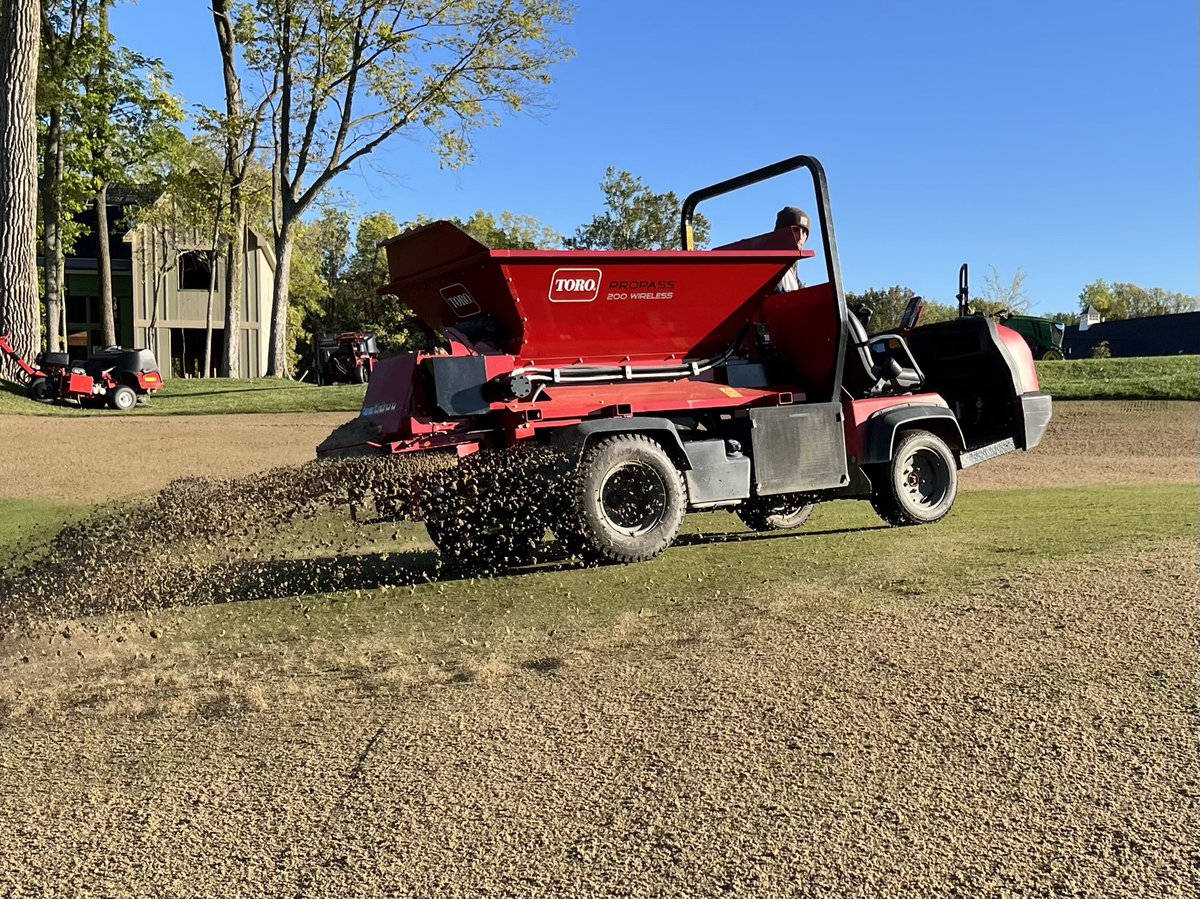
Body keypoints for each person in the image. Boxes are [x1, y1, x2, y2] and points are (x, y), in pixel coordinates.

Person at [773, 206, 810, 293]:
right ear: (780, 232)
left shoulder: (792, 268)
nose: (800, 237)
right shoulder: (768, 263)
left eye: (804, 232)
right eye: (796, 230)